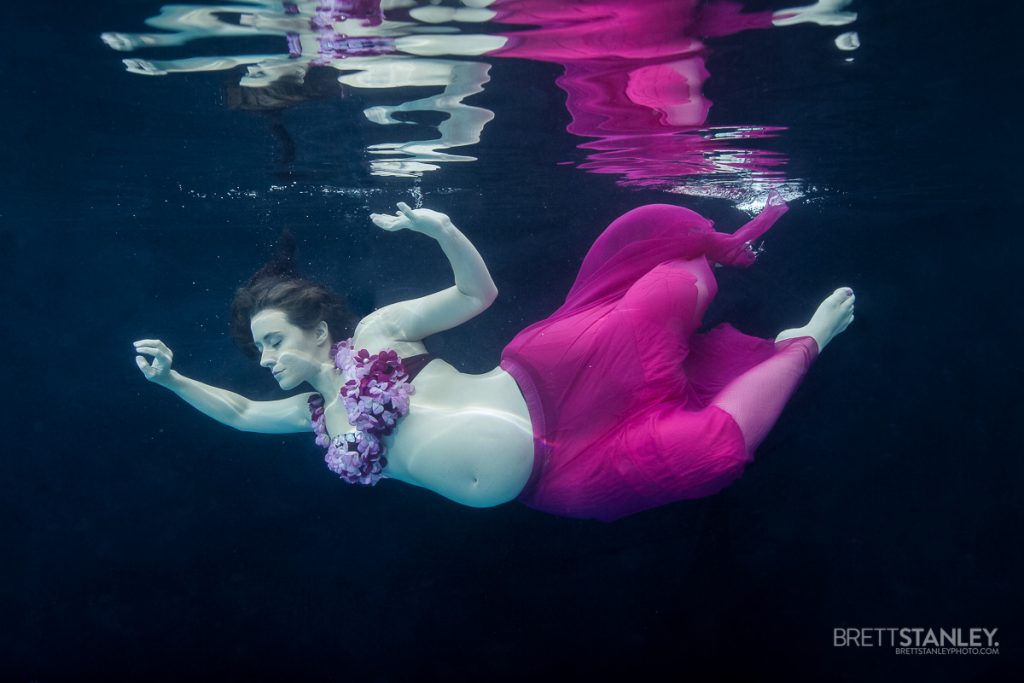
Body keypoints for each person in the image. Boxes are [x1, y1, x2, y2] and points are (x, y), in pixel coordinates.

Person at [134, 195, 854, 522]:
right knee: (712, 456)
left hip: (549, 380)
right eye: (257, 347)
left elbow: (478, 292)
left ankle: (727, 246)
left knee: (670, 288)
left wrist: (439, 228)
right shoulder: (312, 414)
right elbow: (235, 411)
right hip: (558, 478)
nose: (264, 360)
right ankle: (808, 340)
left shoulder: (382, 331)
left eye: (271, 341)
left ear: (318, 330)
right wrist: (170, 380)